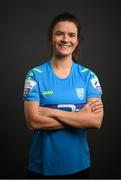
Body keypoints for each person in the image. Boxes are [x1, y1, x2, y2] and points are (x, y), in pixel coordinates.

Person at [23, 12, 104, 179]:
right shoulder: (35, 75)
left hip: (79, 166)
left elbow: (95, 121)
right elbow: (33, 121)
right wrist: (79, 118)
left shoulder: (89, 77)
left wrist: (52, 112)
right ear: (50, 38)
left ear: (77, 40)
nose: (65, 39)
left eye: (71, 35)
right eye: (59, 34)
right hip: (41, 167)